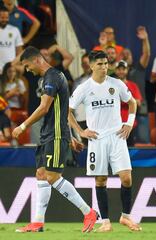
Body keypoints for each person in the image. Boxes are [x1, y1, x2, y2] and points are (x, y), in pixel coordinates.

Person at [12, 46, 97, 233]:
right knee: (41, 174)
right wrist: (73, 136)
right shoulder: (47, 79)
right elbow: (64, 109)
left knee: (52, 177)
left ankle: (88, 212)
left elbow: (44, 108)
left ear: (36, 60)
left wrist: (23, 126)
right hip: (50, 134)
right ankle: (38, 222)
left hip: (55, 134)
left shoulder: (53, 77)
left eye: (27, 66)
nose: (27, 70)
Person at [68, 50, 141, 232]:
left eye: (106, 63)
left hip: (117, 136)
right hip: (97, 139)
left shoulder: (116, 84)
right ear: (91, 65)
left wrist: (129, 123)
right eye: (100, 64)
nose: (104, 67)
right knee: (101, 180)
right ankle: (106, 222)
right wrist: (80, 132)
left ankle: (125, 217)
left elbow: (132, 103)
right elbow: (67, 111)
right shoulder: (84, 88)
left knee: (126, 178)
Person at [120, 26, 150, 143]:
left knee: (142, 141)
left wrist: (145, 39)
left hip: (140, 110)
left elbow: (146, 54)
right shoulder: (115, 75)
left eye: (128, 54)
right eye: (123, 54)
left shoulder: (139, 68)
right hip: (122, 114)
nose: (126, 56)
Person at [114, 60, 142, 146]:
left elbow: (138, 103)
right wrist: (129, 101)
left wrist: (121, 100)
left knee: (130, 149)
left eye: (123, 69)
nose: (121, 71)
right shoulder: (110, 85)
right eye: (119, 69)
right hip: (114, 124)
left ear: (127, 70)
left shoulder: (133, 85)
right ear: (115, 70)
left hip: (130, 124)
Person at [72, 53, 91, 145]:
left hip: (94, 119)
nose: (86, 65)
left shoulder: (99, 79)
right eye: (84, 63)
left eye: (88, 62)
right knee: (83, 146)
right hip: (80, 119)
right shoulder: (76, 81)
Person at [0, 6, 23, 73]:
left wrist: (17, 66)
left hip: (11, 70)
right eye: (2, 18)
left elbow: (19, 51)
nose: (5, 20)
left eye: (6, 18)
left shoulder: (14, 30)